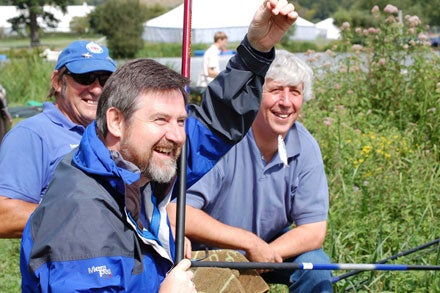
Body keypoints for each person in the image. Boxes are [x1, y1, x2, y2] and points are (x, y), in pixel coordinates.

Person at [20, 1, 299, 291]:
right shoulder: (83, 218)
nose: (177, 135)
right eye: (160, 119)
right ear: (116, 121)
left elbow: (214, 124)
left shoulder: (136, 168)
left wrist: (256, 50)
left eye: (180, 121)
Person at [168, 50, 333, 292]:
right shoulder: (225, 139)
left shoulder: (306, 146)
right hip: (210, 248)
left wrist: (267, 252)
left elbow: (314, 230)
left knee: (316, 267)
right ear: (256, 94)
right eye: (276, 90)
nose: (286, 102)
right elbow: (177, 212)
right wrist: (249, 243)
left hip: (270, 243)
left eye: (295, 92)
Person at [0, 40, 116, 238]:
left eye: (105, 80)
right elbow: (4, 216)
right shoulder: (32, 134)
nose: (97, 89)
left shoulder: (114, 131)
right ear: (57, 81)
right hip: (69, 265)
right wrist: (88, 217)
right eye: (85, 77)